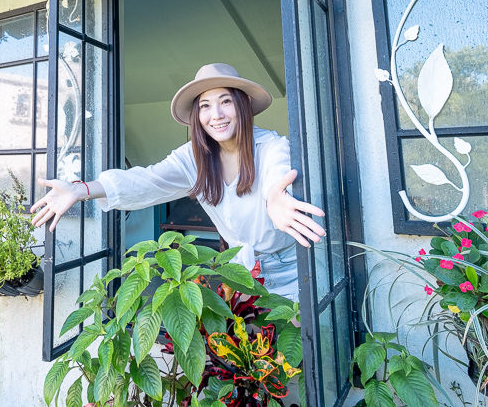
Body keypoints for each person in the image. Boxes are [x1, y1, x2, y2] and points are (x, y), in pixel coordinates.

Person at [31, 62, 326, 299]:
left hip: (293, 268)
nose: (217, 115)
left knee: (295, 357)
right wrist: (80, 190)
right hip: (241, 271)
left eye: (226, 101)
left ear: (244, 104)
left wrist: (276, 198)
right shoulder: (194, 158)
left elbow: (278, 175)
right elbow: (146, 181)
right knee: (250, 360)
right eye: (206, 106)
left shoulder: (273, 147)